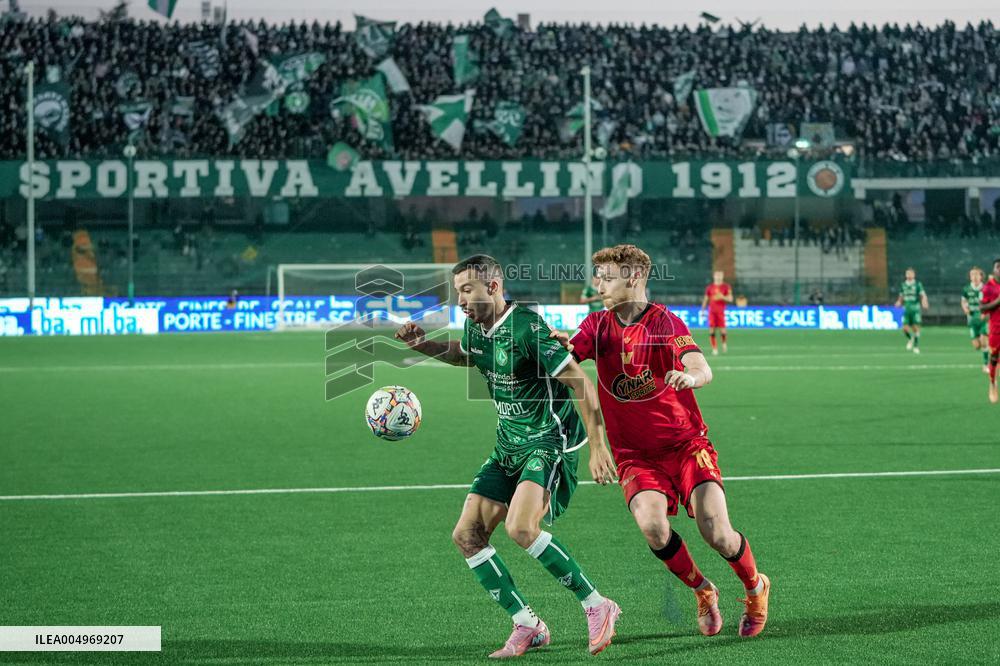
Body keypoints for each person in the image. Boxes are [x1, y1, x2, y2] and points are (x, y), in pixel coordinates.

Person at [395, 255, 621, 658]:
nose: (461, 301)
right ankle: (527, 624)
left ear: (494, 287)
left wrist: (598, 444)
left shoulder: (527, 328)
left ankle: (597, 604)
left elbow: (581, 384)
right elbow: (467, 354)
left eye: (467, 290)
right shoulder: (476, 326)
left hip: (548, 441)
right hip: (508, 444)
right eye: (457, 292)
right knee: (467, 535)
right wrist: (423, 345)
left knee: (521, 528)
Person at [551, 244, 771, 638]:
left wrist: (692, 378)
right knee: (653, 527)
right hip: (635, 455)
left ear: (634, 277)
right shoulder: (596, 326)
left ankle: (755, 586)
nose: (598, 284)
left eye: (607, 276)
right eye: (597, 275)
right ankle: (703, 590)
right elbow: (569, 355)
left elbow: (700, 365)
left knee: (717, 532)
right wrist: (557, 344)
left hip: (686, 445)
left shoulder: (666, 323)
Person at [978, 258, 1000, 403]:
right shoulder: (988, 287)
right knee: (994, 358)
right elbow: (982, 307)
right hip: (996, 328)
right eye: (998, 267)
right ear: (994, 270)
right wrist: (998, 301)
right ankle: (992, 383)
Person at [960, 268, 990, 373]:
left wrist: (986, 312)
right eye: (972, 274)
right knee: (977, 346)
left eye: (977, 274)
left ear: (981, 276)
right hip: (972, 320)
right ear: (970, 277)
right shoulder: (966, 289)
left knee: (984, 342)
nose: (975, 277)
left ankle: (986, 365)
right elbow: (963, 302)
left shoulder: (986, 288)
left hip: (983, 319)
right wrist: (965, 309)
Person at [895, 268, 929, 353]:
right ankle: (910, 339)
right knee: (904, 328)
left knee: (915, 328)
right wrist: (898, 302)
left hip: (915, 309)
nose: (909, 275)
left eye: (910, 274)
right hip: (906, 309)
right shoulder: (903, 285)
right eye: (907, 274)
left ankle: (916, 346)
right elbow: (901, 296)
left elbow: (923, 295)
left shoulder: (918, 284)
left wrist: (924, 302)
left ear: (914, 275)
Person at [701, 271, 733, 355]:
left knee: (722, 330)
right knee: (712, 330)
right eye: (717, 275)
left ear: (722, 276)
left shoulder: (726, 287)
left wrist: (722, 297)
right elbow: (706, 299)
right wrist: (703, 310)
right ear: (714, 276)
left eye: (720, 275)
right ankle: (714, 348)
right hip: (712, 311)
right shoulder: (710, 287)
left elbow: (730, 299)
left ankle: (724, 344)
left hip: (721, 311)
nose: (718, 277)